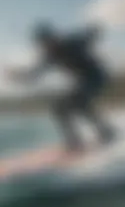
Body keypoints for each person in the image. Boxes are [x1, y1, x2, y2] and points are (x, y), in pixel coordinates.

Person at [8, 21, 115, 152]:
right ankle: (81, 139)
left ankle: (99, 134)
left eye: (46, 41)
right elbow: (35, 74)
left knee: (79, 101)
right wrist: (19, 76)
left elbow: (90, 34)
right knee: (60, 108)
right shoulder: (50, 56)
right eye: (42, 44)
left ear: (52, 37)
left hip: (96, 77)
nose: (45, 46)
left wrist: (94, 29)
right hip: (82, 82)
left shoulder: (72, 42)